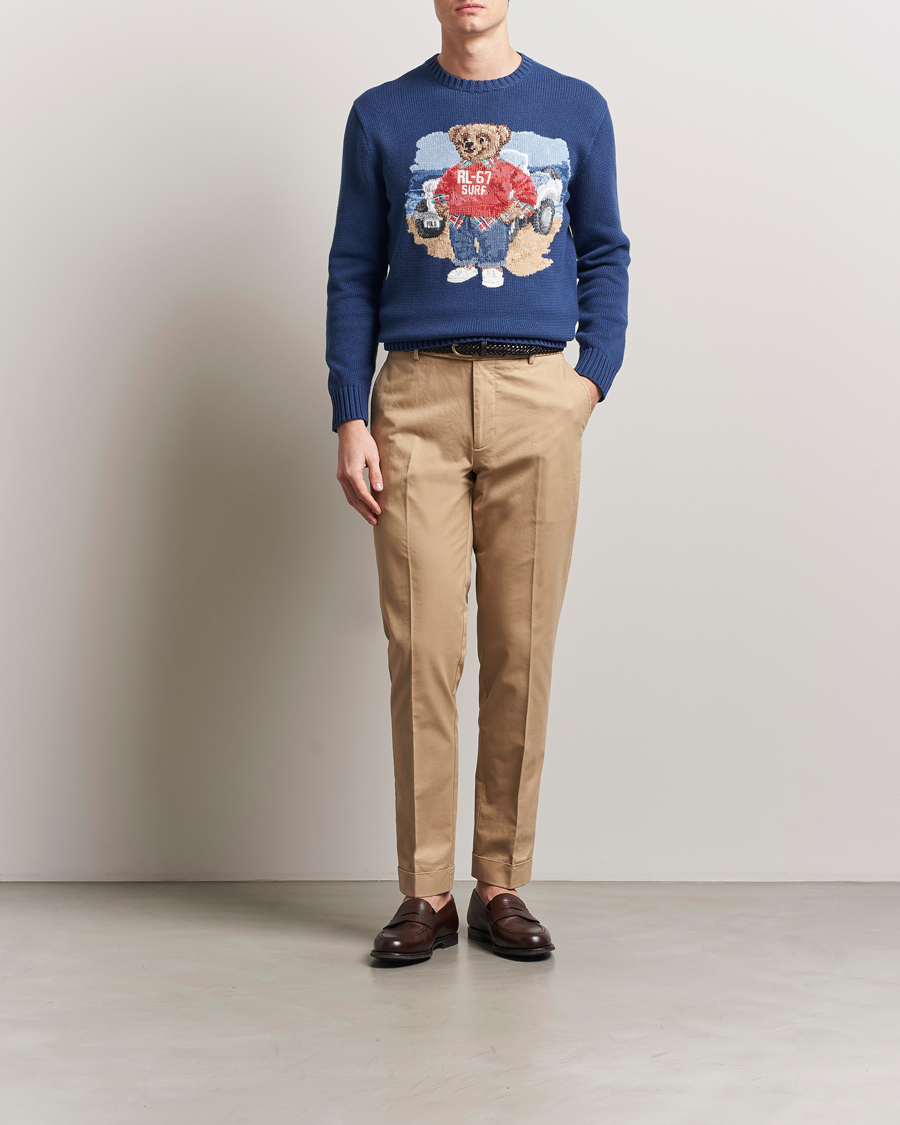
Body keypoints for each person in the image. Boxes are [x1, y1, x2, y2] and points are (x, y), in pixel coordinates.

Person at [326, 0, 629, 962]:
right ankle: (426, 890)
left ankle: (500, 880)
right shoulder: (381, 114)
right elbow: (353, 268)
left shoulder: (576, 108)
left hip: (538, 392)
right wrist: (349, 411)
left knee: (519, 644)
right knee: (423, 646)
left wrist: (589, 380)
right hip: (414, 396)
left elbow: (605, 250)